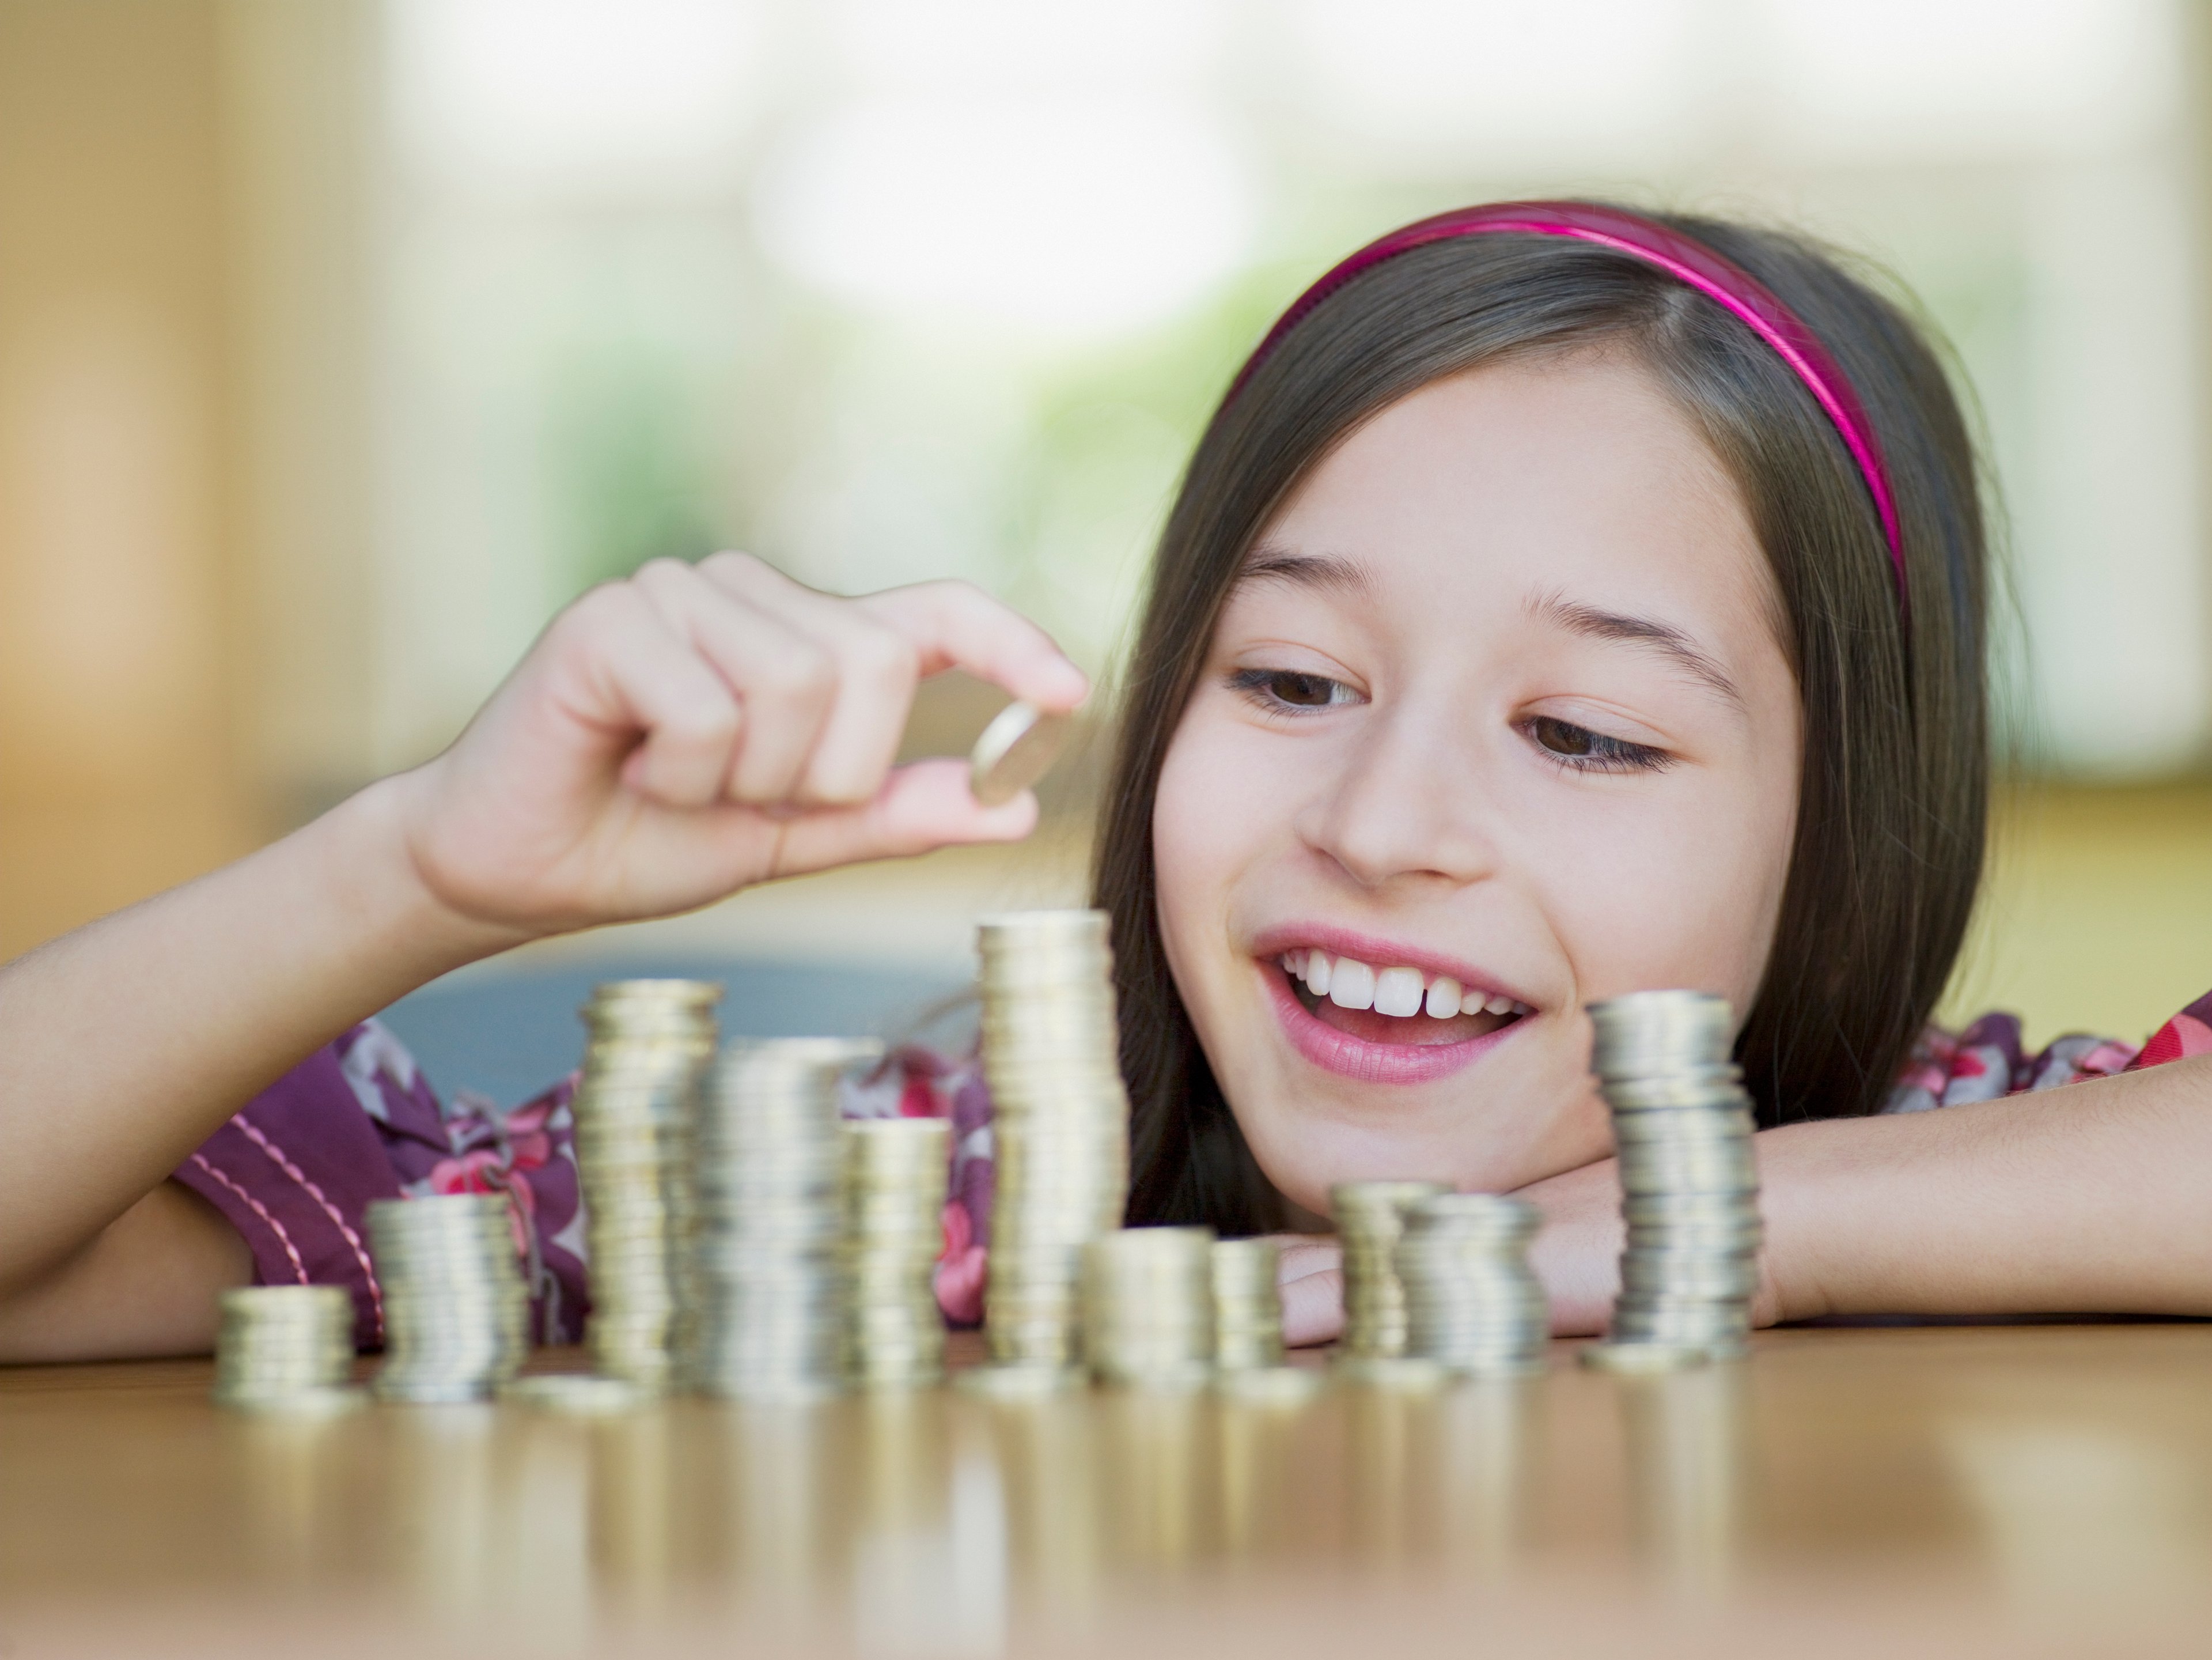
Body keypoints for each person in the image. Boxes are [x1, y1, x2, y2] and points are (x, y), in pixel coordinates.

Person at [5, 200, 2210, 1364]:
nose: (1382, 822)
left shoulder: (1968, 1161)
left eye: (1584, 732)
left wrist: (1731, 1231)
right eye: (1290, 676)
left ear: (1848, 832)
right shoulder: (903, 1201)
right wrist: (415, 860)